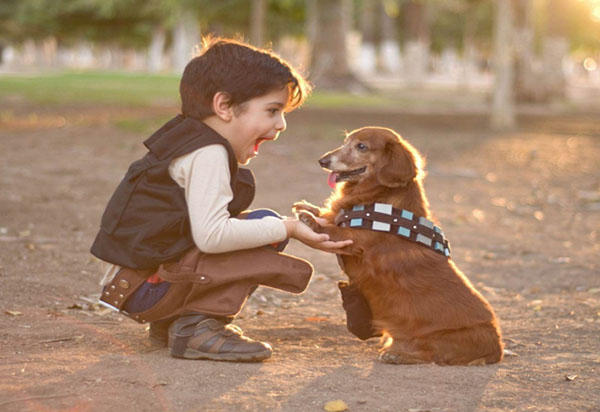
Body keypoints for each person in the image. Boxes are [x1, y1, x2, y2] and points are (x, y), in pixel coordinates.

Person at [90, 36, 352, 362]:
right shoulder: (208, 152)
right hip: (144, 290)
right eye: (272, 110)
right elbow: (212, 237)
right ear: (224, 106)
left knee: (260, 226)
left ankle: (173, 323)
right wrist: (289, 228)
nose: (280, 125)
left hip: (136, 285)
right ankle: (196, 327)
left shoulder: (187, 139)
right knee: (264, 227)